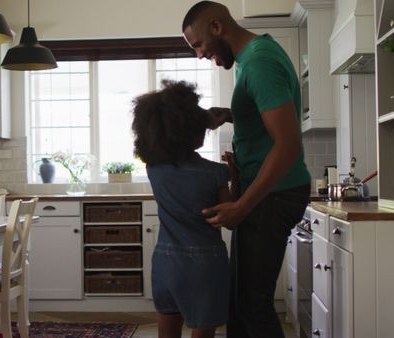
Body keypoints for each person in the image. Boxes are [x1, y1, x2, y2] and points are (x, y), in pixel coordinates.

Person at [182, 2, 312, 338]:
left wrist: (241, 206)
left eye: (197, 45)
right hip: (268, 192)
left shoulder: (258, 63)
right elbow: (267, 112)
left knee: (252, 305)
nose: (198, 54)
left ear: (216, 27)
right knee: (239, 302)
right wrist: (230, 113)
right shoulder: (252, 57)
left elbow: (287, 145)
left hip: (273, 194)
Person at [132, 79, 238, 338]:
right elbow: (231, 218)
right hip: (205, 265)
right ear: (193, 130)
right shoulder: (215, 173)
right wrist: (235, 174)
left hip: (165, 263)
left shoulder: (154, 170)